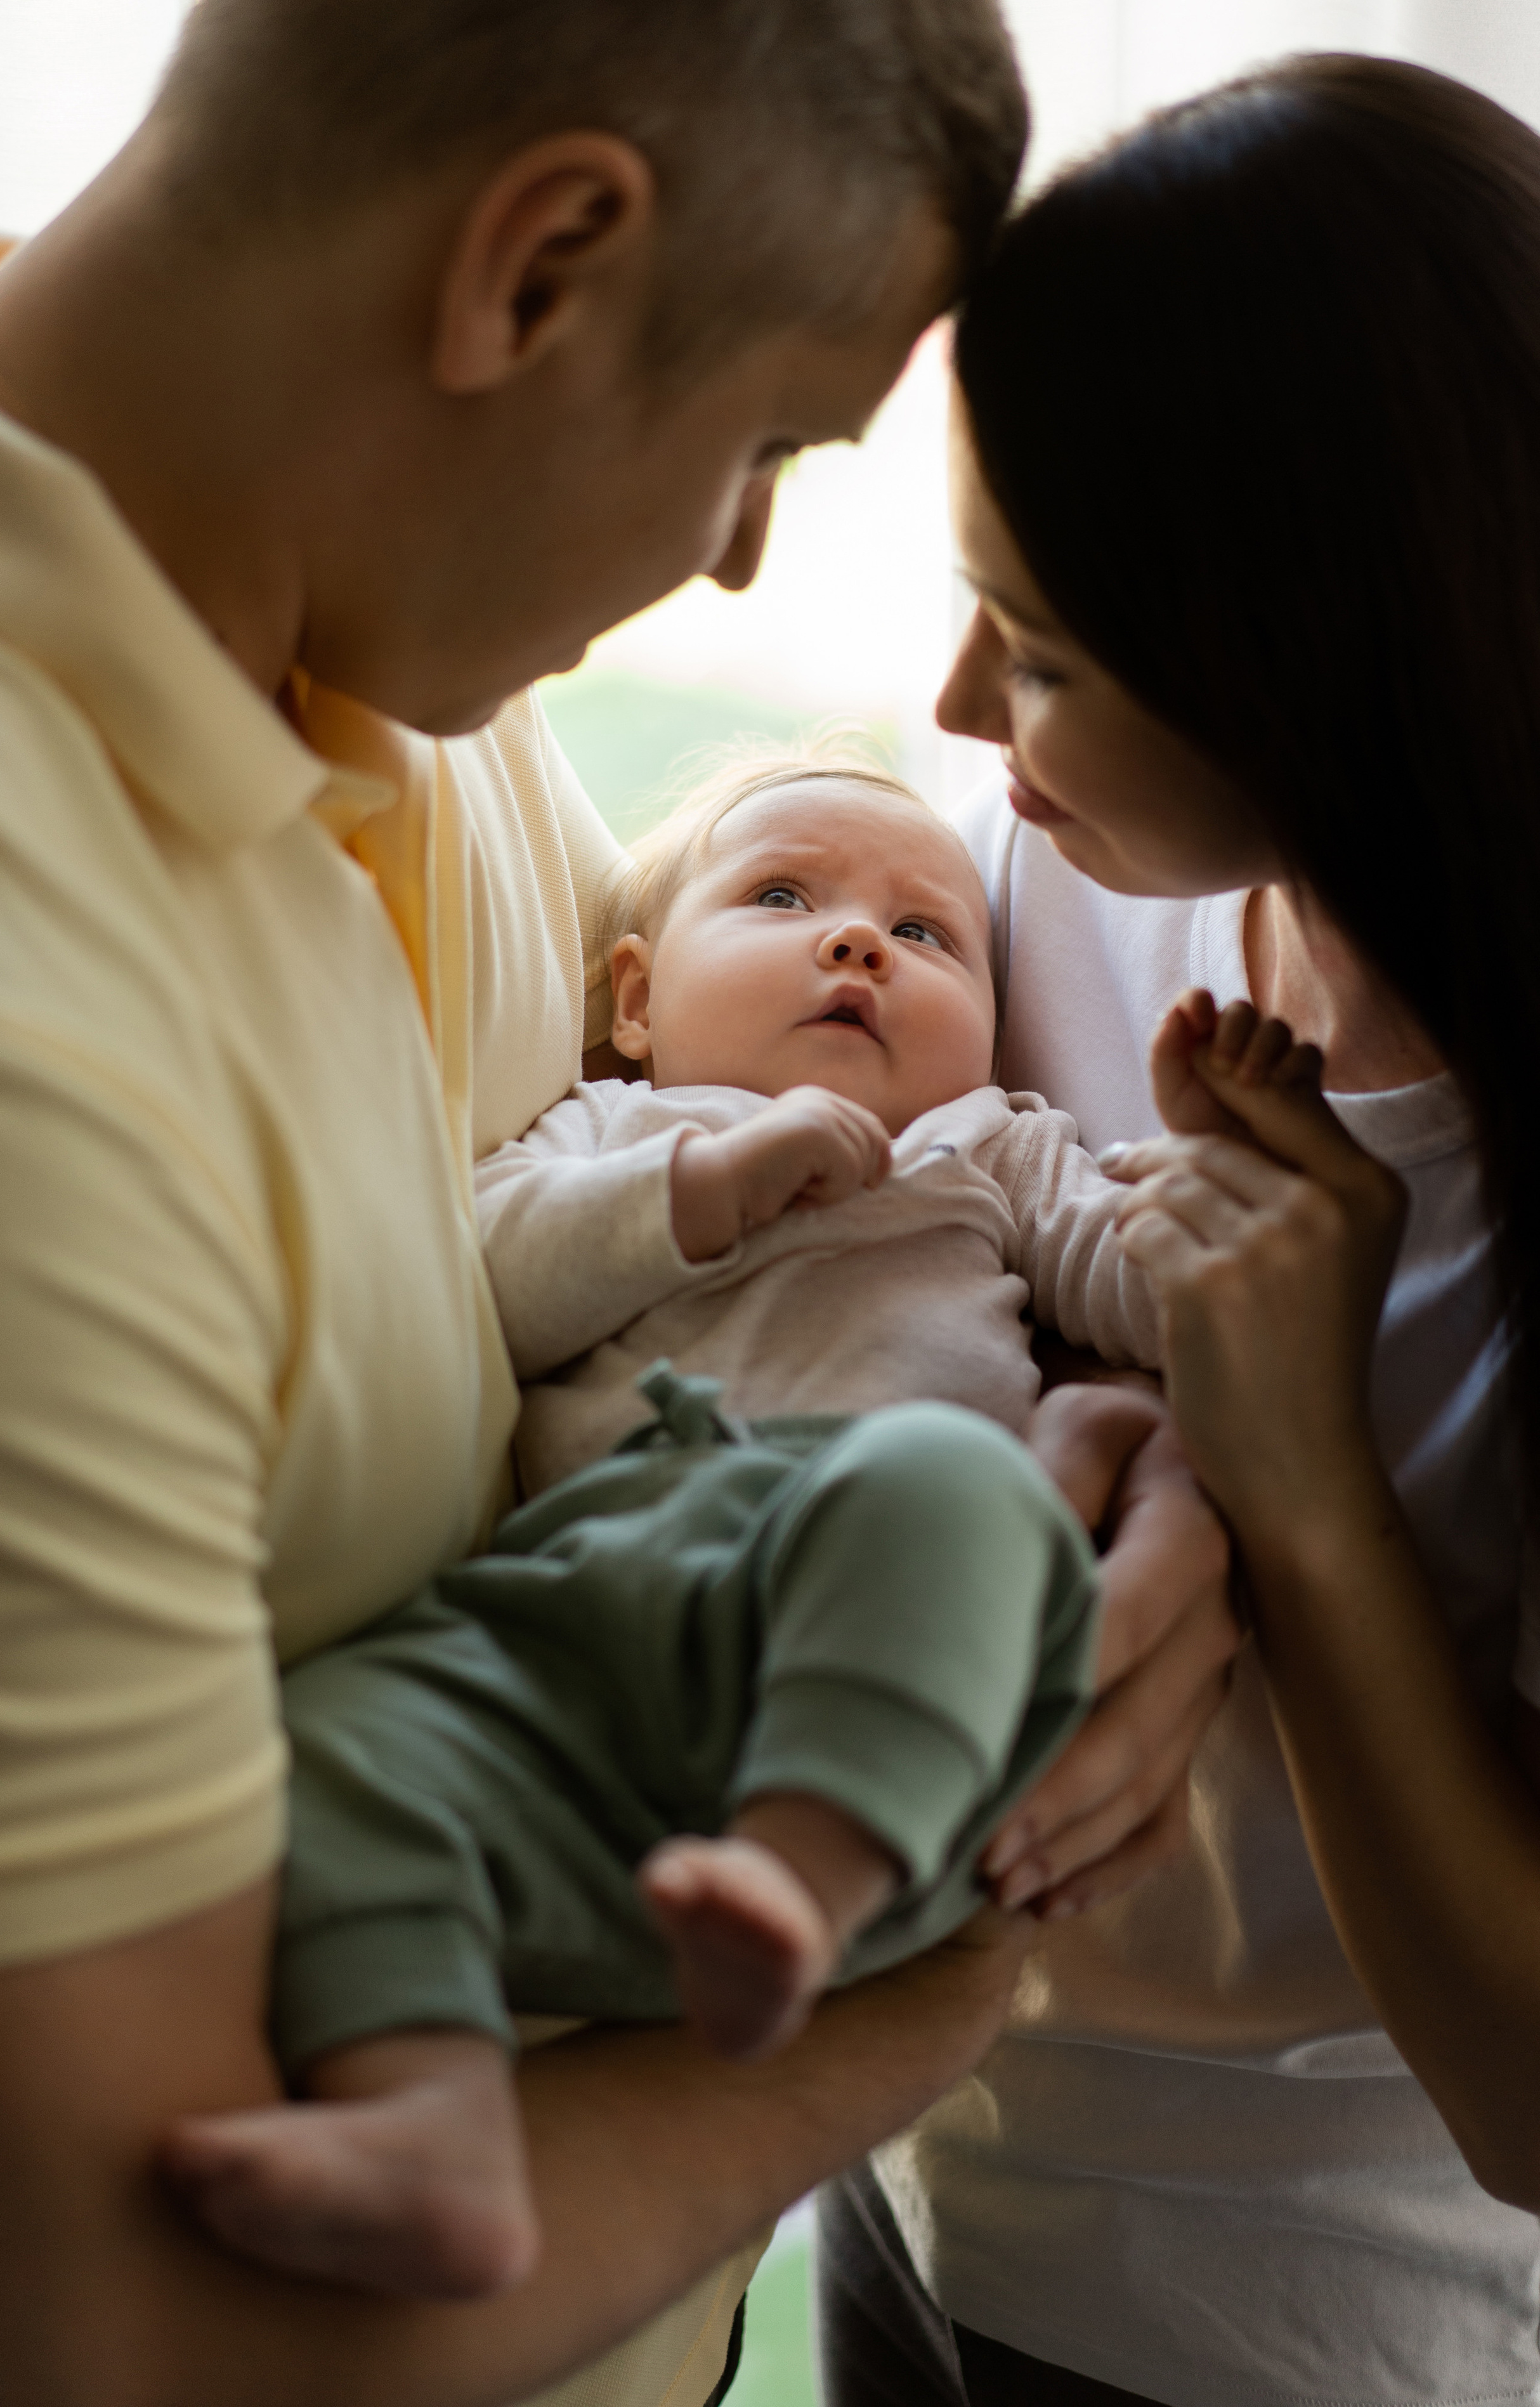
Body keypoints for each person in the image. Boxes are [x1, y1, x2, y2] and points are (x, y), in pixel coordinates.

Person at [0, 0, 1241, 2403]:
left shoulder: (394, 655)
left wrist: (1151, 1496)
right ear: (533, 276)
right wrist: (944, 1975)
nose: (735, 570)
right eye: (763, 446)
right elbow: (111, 2330)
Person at [816, 49, 1540, 2407]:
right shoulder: (1075, 867)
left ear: (1317, 661)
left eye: (1038, 653)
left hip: (1268, 2330)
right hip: (911, 2168)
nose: (955, 708)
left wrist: (1303, 1485)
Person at [158, 752, 1177, 2301]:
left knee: (963, 1486)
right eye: (783, 899)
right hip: (591, 1633)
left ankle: (801, 1870)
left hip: (889, 1660)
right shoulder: (610, 1128)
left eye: (925, 935)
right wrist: (701, 1185)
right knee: (338, 1744)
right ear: (635, 998)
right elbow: (482, 1279)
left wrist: (1219, 1188)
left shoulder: (987, 1140)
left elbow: (1151, 1285)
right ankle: (423, 2112)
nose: (856, 945)